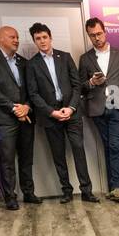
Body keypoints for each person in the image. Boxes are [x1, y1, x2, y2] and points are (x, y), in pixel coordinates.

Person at [27, 22, 95, 203]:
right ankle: (66, 191)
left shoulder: (65, 57)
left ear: (50, 37)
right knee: (58, 155)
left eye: (44, 37)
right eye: (38, 39)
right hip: (51, 117)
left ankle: (87, 191)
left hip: (72, 113)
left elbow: (76, 85)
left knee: (79, 150)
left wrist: (71, 108)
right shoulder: (32, 64)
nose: (42, 41)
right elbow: (33, 94)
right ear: (34, 41)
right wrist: (52, 112)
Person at [77, 17, 119, 202]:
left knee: (115, 146)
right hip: (97, 108)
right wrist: (92, 82)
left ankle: (118, 187)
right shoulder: (85, 59)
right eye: (92, 35)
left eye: (99, 33)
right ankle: (115, 187)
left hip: (117, 104)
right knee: (109, 147)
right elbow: (80, 86)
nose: (96, 38)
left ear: (105, 32)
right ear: (88, 36)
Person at [0, 25, 35, 209]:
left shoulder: (23, 62)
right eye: (12, 37)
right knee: (7, 159)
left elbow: (31, 89)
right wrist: (13, 108)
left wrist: (26, 106)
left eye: (17, 37)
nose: (16, 40)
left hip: (25, 116)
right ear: (0, 39)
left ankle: (29, 193)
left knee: (26, 157)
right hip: (4, 118)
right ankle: (10, 197)